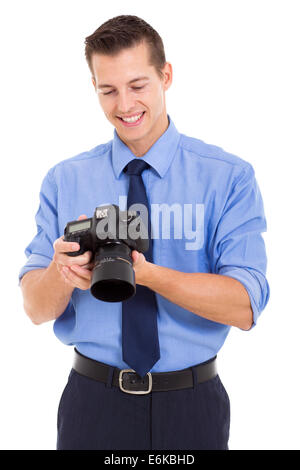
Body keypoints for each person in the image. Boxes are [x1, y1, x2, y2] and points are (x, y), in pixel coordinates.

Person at [19, 15, 270, 450]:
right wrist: (61, 273)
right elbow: (35, 309)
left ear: (165, 75)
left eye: (137, 85)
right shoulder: (65, 179)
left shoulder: (228, 177)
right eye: (108, 90)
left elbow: (246, 305)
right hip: (92, 402)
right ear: (94, 87)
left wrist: (147, 274)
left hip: (192, 403)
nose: (124, 104)